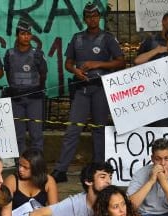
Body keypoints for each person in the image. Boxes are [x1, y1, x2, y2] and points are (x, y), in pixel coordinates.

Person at [51, 2, 125, 183]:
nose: (92, 19)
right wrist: (75, 71)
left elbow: (121, 62)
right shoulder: (77, 38)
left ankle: (99, 168)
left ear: (99, 17)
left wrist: (97, 64)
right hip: (82, 90)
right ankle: (61, 169)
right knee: (73, 129)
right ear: (84, 19)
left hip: (100, 89)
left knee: (99, 130)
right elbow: (68, 63)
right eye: (89, 16)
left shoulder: (107, 38)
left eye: (95, 16)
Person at [3, 20, 47, 154]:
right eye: (23, 34)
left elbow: (43, 74)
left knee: (36, 134)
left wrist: (37, 88)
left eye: (29, 34)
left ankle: (37, 164)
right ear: (17, 36)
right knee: (18, 135)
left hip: (34, 98)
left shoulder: (37, 54)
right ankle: (20, 165)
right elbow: (8, 73)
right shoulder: (9, 54)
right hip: (16, 99)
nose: (26, 37)